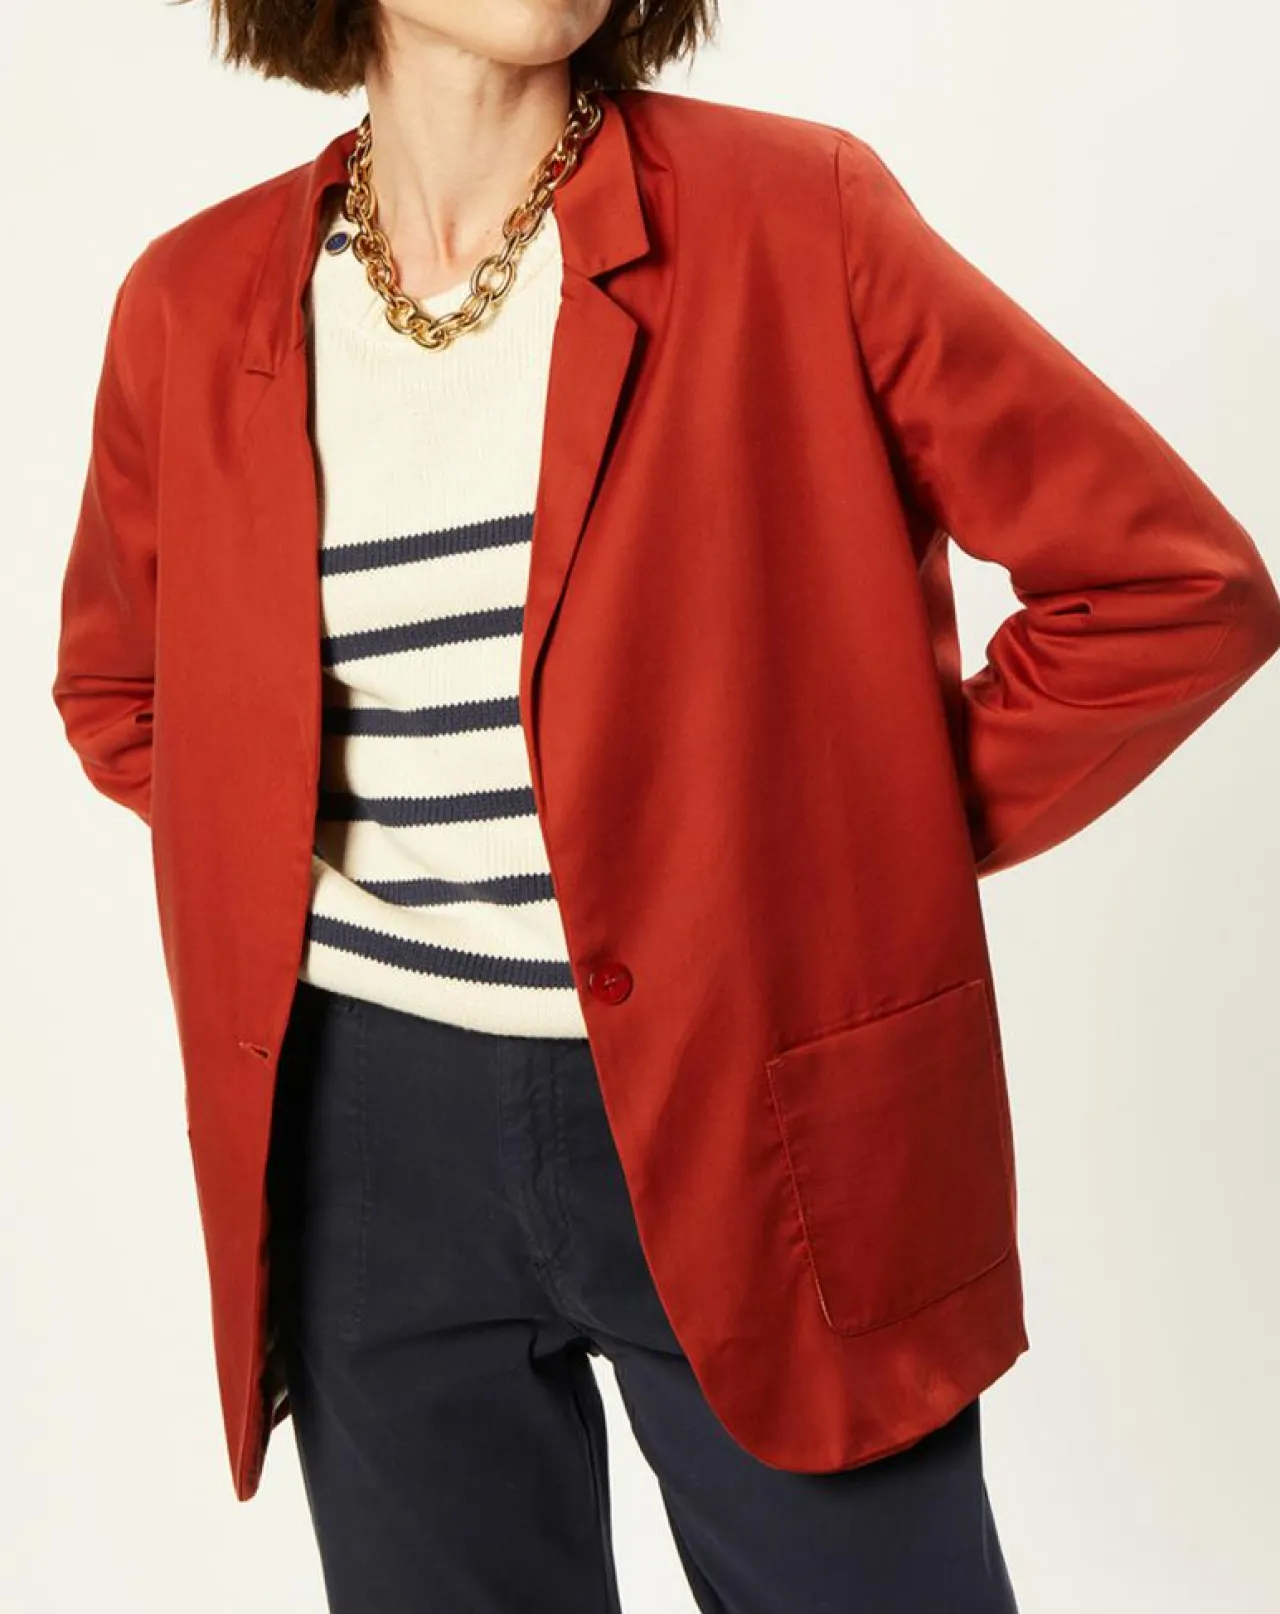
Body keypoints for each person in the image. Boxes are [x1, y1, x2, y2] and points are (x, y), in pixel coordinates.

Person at [51, 2, 1280, 1611]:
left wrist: (852, 843)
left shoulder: (797, 217)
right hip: (366, 1138)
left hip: (758, 1111)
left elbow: (1170, 593)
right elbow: (123, 692)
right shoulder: (193, 302)